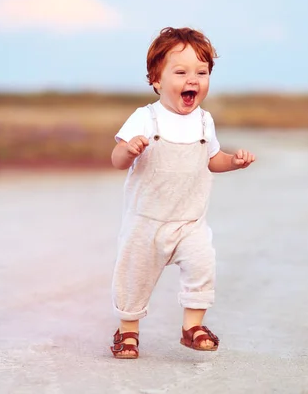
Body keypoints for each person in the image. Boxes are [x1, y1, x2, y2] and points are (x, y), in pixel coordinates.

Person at [109, 27, 255, 359]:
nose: (193, 79)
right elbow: (116, 160)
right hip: (146, 221)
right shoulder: (145, 118)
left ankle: (193, 327)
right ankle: (127, 331)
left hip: (190, 220)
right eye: (181, 71)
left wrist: (233, 161)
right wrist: (129, 150)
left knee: (203, 264)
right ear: (156, 80)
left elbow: (212, 160)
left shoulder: (204, 122)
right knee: (134, 276)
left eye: (201, 72)